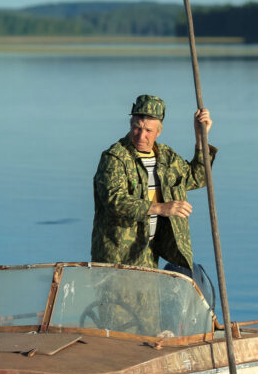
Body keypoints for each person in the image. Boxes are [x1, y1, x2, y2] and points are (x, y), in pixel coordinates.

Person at [91, 94, 216, 274]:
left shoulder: (166, 156)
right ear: (130, 125)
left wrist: (200, 137)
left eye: (148, 130)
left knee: (148, 303)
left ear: (158, 132)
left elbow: (197, 178)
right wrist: (161, 208)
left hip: (149, 253)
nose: (141, 135)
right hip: (117, 257)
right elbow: (114, 200)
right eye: (137, 128)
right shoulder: (114, 158)